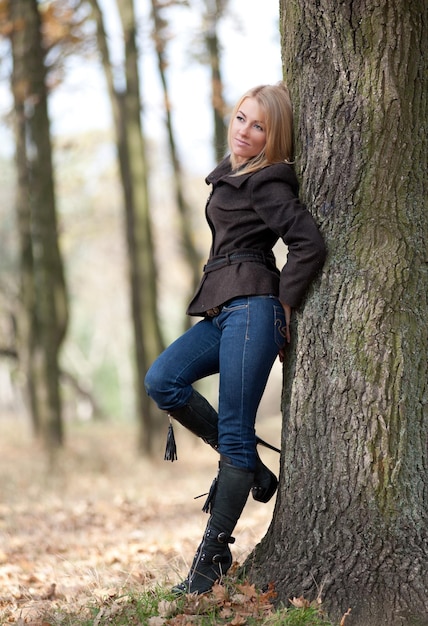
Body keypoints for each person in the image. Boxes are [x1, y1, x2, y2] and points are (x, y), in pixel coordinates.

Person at [144, 82, 326, 595]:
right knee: (163, 379)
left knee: (235, 430)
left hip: (254, 308)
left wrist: (284, 303)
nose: (244, 130)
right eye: (241, 118)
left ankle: (212, 557)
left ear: (275, 136)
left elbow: (308, 244)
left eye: (259, 125)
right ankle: (256, 474)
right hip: (224, 309)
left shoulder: (267, 181)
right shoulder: (235, 173)